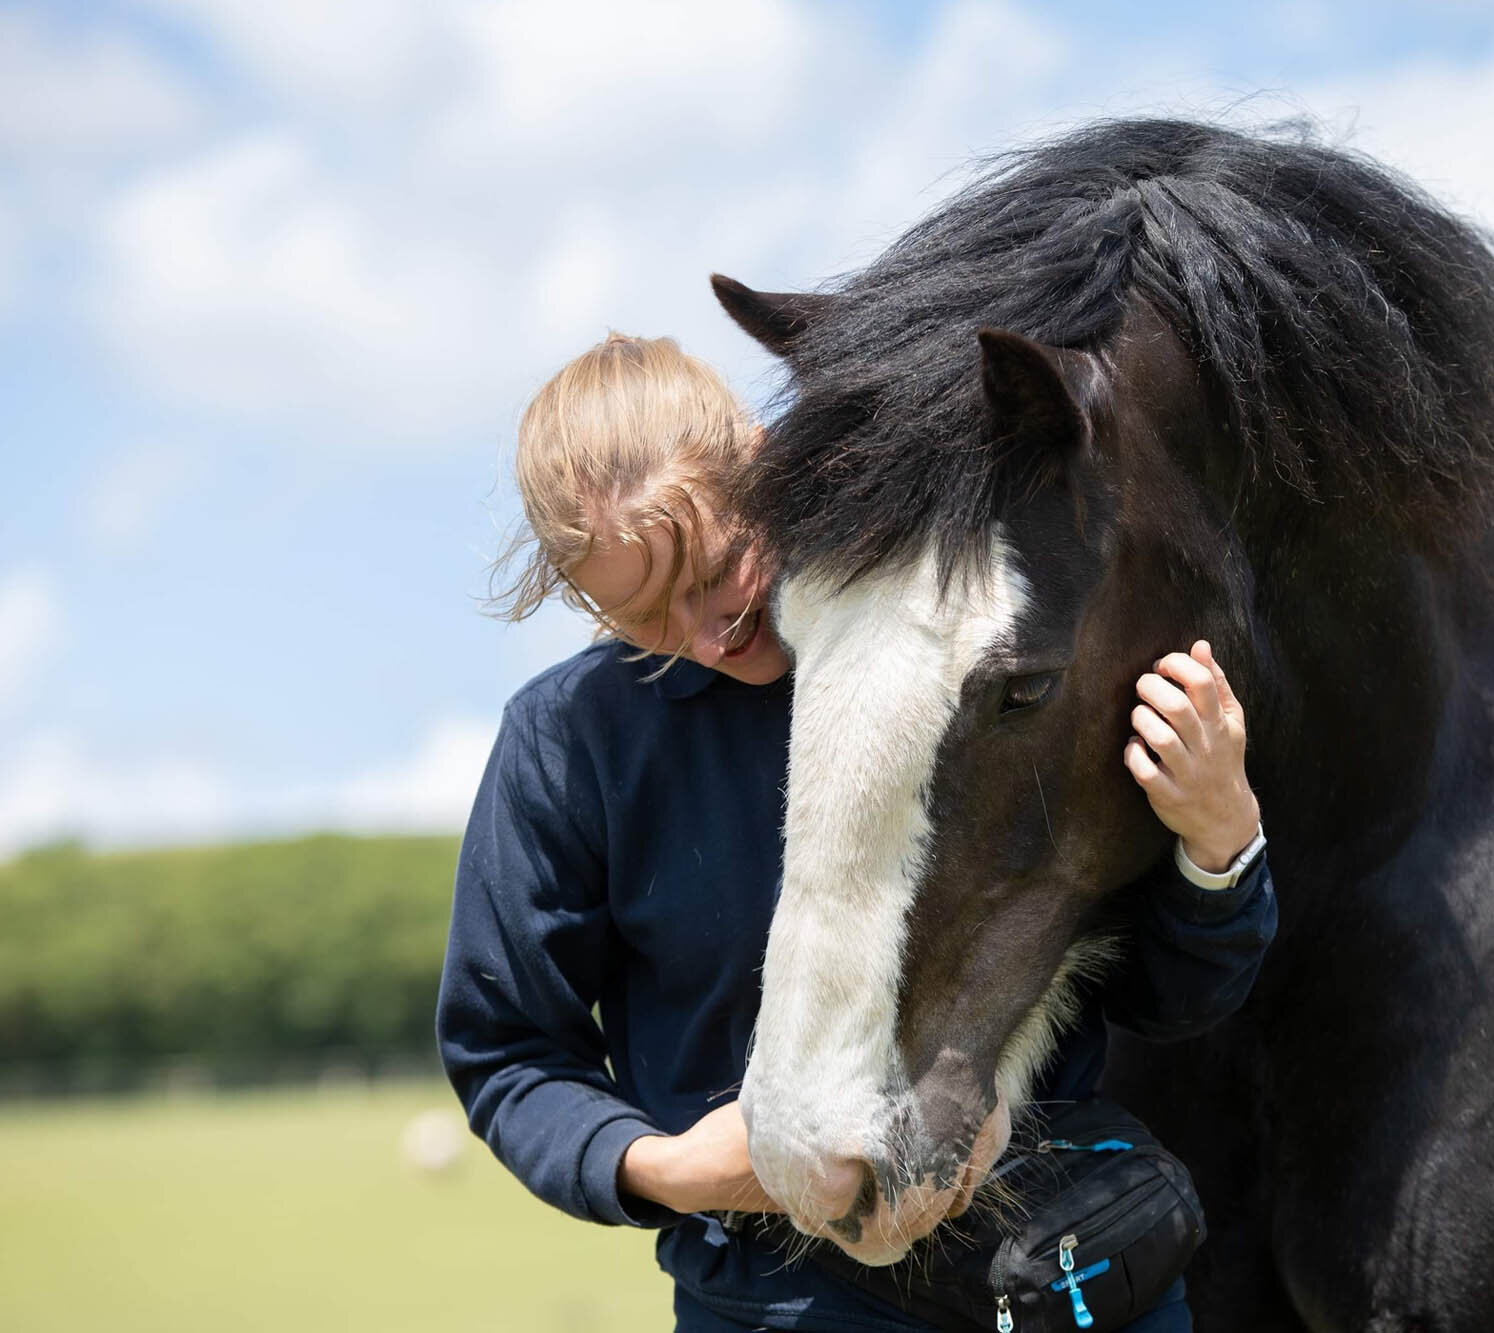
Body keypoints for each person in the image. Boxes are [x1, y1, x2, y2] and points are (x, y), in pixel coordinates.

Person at [437, 332, 1277, 1332]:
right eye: (645, 616)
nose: (706, 631)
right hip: (776, 1307)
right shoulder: (567, 744)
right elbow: (507, 1052)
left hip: (1075, 1277)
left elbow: (1167, 996)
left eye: (715, 568)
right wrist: (661, 1168)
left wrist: (1219, 844)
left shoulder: (971, 651)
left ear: (764, 462)